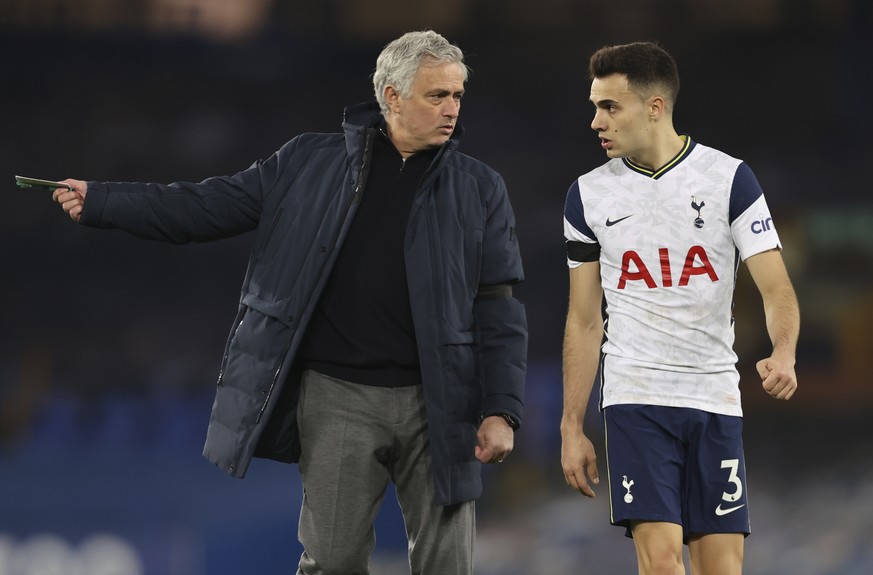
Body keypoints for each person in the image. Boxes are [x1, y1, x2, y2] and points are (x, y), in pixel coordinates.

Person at [52, 30, 527, 575]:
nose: (452, 109)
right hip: (339, 397)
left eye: (457, 95)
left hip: (441, 400)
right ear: (392, 97)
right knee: (333, 561)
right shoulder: (307, 162)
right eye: (436, 96)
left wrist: (501, 409)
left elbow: (499, 308)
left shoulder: (481, 187)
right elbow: (206, 206)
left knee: (448, 565)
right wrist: (104, 200)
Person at [560, 41, 799, 575]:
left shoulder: (729, 179)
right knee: (663, 562)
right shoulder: (587, 196)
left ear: (654, 107)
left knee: (721, 568)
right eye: (595, 106)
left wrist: (784, 352)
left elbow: (776, 288)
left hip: (714, 395)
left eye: (609, 107)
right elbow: (583, 318)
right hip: (635, 397)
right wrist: (571, 426)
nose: (596, 121)